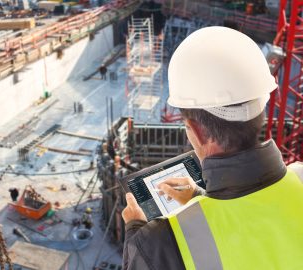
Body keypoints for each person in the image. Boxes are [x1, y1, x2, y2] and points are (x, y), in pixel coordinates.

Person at [121, 26, 303, 270]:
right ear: (261, 107)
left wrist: (136, 233)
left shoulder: (159, 244)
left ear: (195, 131)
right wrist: (199, 198)